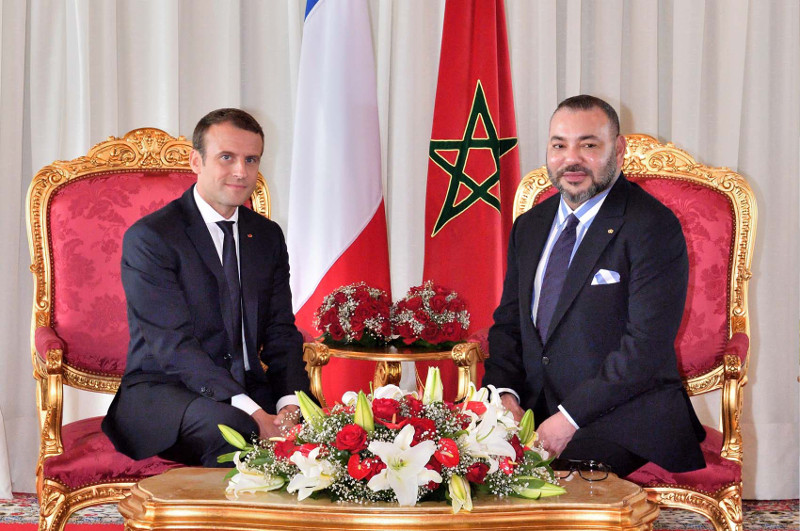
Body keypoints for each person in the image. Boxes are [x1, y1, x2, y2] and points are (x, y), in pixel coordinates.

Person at [483, 95, 705, 477]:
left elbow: (644, 349)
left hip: (624, 415)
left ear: (617, 149)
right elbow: (508, 327)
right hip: (536, 409)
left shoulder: (651, 226)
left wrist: (568, 419)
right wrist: (505, 396)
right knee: (459, 460)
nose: (572, 159)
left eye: (588, 145)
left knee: (559, 481)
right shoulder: (530, 226)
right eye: (559, 145)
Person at [102, 108, 311, 467]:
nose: (241, 171)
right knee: (234, 430)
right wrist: (256, 415)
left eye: (251, 159)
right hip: (165, 393)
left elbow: (280, 331)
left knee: (323, 426)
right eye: (226, 157)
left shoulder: (266, 236)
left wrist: (290, 404)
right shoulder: (152, 238)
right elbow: (173, 347)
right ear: (195, 161)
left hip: (248, 387)